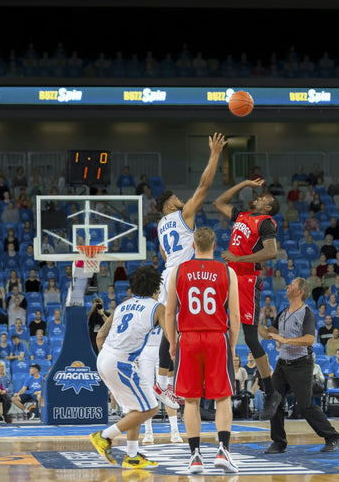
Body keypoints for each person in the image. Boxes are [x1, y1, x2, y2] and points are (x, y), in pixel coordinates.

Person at [153, 133, 227, 409]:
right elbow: (204, 186)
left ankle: (165, 382)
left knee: (171, 325)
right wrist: (215, 154)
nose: (181, 199)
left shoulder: (161, 225)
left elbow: (164, 255)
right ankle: (169, 382)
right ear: (170, 205)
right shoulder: (183, 215)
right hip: (182, 273)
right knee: (188, 324)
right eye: (177, 198)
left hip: (168, 273)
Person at [165, 227, 240, 474]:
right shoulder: (228, 272)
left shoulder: (178, 271)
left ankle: (195, 456)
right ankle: (223, 450)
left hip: (188, 337)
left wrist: (172, 342)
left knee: (191, 400)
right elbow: (235, 316)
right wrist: (232, 344)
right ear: (214, 245)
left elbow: (169, 313)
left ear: (193, 245)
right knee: (223, 397)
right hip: (216, 337)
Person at [214, 177, 281, 420]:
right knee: (216, 330)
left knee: (251, 338)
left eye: (265, 197)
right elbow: (219, 202)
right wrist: (243, 184)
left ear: (268, 207)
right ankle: (211, 394)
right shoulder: (242, 216)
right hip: (230, 277)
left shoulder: (266, 223)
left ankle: (270, 392)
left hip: (247, 281)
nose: (260, 196)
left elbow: (271, 251)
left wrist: (238, 259)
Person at [89, 265, 166, 470]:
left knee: (135, 408)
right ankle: (104, 436)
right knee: (150, 408)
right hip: (120, 362)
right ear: (156, 288)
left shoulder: (122, 305)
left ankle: (132, 456)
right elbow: (170, 339)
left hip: (105, 357)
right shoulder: (158, 307)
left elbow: (100, 336)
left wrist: (108, 363)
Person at [259, 278, 339, 454]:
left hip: (301, 364)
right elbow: (267, 335)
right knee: (274, 401)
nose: (288, 286)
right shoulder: (283, 313)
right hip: (283, 363)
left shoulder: (307, 313)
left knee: (305, 406)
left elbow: (309, 339)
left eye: (292, 285)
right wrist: (253, 323)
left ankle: (332, 436)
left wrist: (285, 340)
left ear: (300, 292)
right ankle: (279, 442)